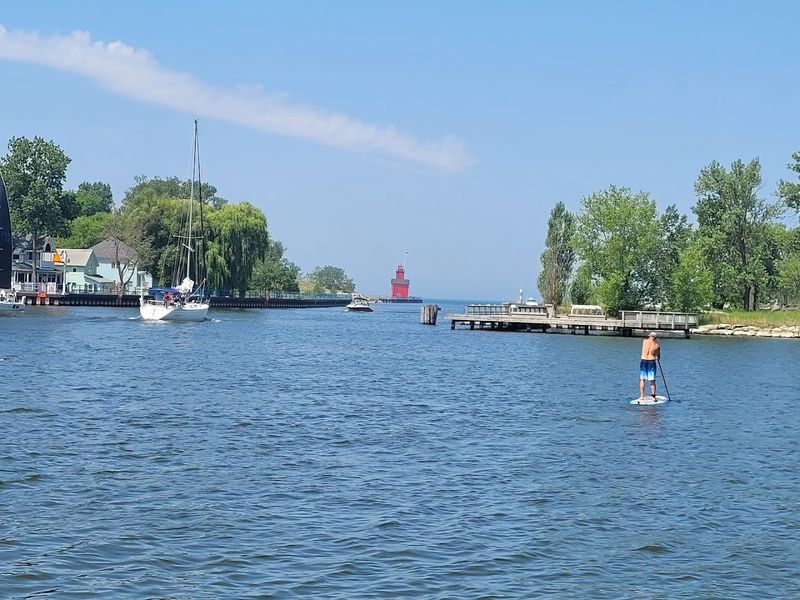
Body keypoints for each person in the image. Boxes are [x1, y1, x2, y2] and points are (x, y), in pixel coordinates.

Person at [639, 331, 661, 399]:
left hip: (643, 360)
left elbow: (647, 342)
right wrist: (658, 357)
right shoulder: (657, 346)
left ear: (650, 336)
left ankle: (642, 396)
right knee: (652, 380)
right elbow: (658, 356)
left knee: (642, 379)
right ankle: (653, 396)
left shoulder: (644, 341)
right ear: (655, 338)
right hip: (651, 361)